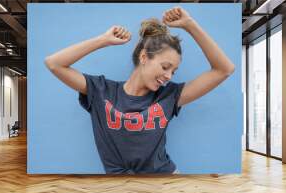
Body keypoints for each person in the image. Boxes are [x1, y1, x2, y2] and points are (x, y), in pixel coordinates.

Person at [45, 6, 235, 174]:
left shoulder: (169, 96)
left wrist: (189, 24)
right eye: (165, 66)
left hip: (165, 181)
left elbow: (224, 69)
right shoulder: (101, 91)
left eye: (173, 71)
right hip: (117, 189)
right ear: (144, 57)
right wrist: (103, 40)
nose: (169, 76)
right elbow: (54, 64)